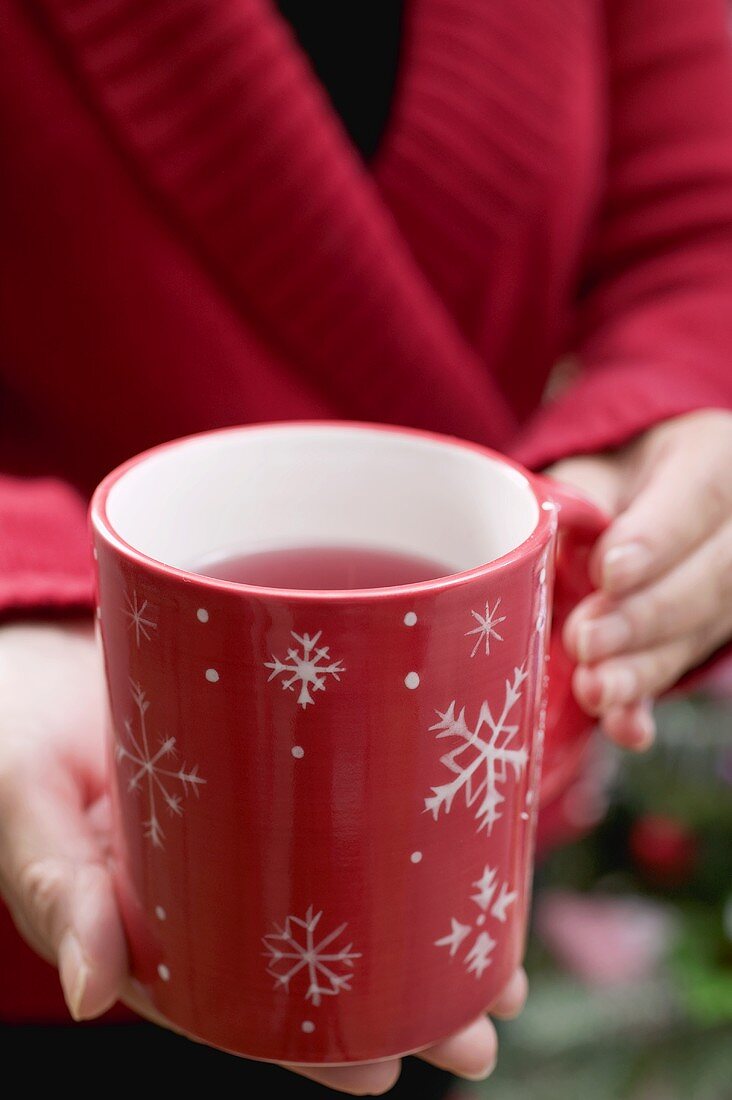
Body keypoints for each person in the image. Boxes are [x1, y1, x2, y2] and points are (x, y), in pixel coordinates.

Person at [2, 1, 732, 1095]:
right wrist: (23, 585)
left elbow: (701, 228)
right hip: (44, 929)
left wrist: (672, 418)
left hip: (425, 919)